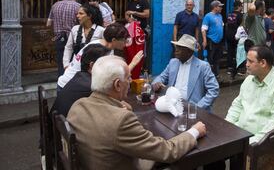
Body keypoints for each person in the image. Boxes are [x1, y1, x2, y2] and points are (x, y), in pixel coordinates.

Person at [67, 55, 206, 170]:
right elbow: (168, 151)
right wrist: (194, 132)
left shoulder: (78, 105)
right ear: (117, 84)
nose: (131, 81)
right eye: (128, 78)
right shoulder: (121, 120)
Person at [225, 46, 274, 144]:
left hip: (262, 143)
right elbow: (237, 105)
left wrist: (249, 143)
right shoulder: (249, 80)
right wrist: (227, 127)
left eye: (250, 61)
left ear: (263, 63)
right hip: (240, 135)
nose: (246, 65)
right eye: (247, 61)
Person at [57, 23, 142, 90]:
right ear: (114, 40)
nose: (125, 43)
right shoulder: (99, 51)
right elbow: (110, 77)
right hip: (69, 86)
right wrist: (133, 63)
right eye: (124, 40)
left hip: (75, 84)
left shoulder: (103, 45)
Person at [152, 34, 219, 110]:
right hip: (172, 106)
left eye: (180, 48)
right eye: (177, 47)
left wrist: (199, 107)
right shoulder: (173, 62)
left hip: (191, 109)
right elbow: (161, 77)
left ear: (189, 52)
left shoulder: (203, 66)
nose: (176, 50)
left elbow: (214, 89)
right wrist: (156, 83)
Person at [51, 44, 111, 117]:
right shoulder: (91, 87)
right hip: (62, 126)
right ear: (92, 65)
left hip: (57, 124)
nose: (109, 68)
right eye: (106, 64)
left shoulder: (79, 77)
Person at [47, 0, 81, 76]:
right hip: (72, 39)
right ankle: (69, 85)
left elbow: (48, 23)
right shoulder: (78, 7)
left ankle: (61, 83)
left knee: (60, 63)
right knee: (73, 63)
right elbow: (82, 24)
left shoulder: (55, 5)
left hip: (58, 38)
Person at [62, 4, 105, 69]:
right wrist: (66, 64)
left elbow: (107, 48)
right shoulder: (75, 29)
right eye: (77, 13)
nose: (77, 16)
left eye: (81, 13)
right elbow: (68, 47)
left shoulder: (101, 30)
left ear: (89, 16)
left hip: (94, 66)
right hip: (76, 65)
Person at [201, 0, 224, 76]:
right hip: (211, 40)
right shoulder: (208, 16)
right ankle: (208, 75)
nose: (221, 8)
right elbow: (203, 29)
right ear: (215, 7)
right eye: (219, 6)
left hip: (219, 41)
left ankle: (216, 74)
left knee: (217, 58)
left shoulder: (220, 16)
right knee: (210, 58)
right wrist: (204, 40)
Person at [226, 0, 243, 75]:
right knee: (239, 52)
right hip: (237, 36)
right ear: (239, 6)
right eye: (241, 6)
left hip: (229, 35)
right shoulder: (240, 15)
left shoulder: (230, 14)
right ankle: (238, 68)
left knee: (230, 51)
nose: (242, 7)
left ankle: (229, 68)